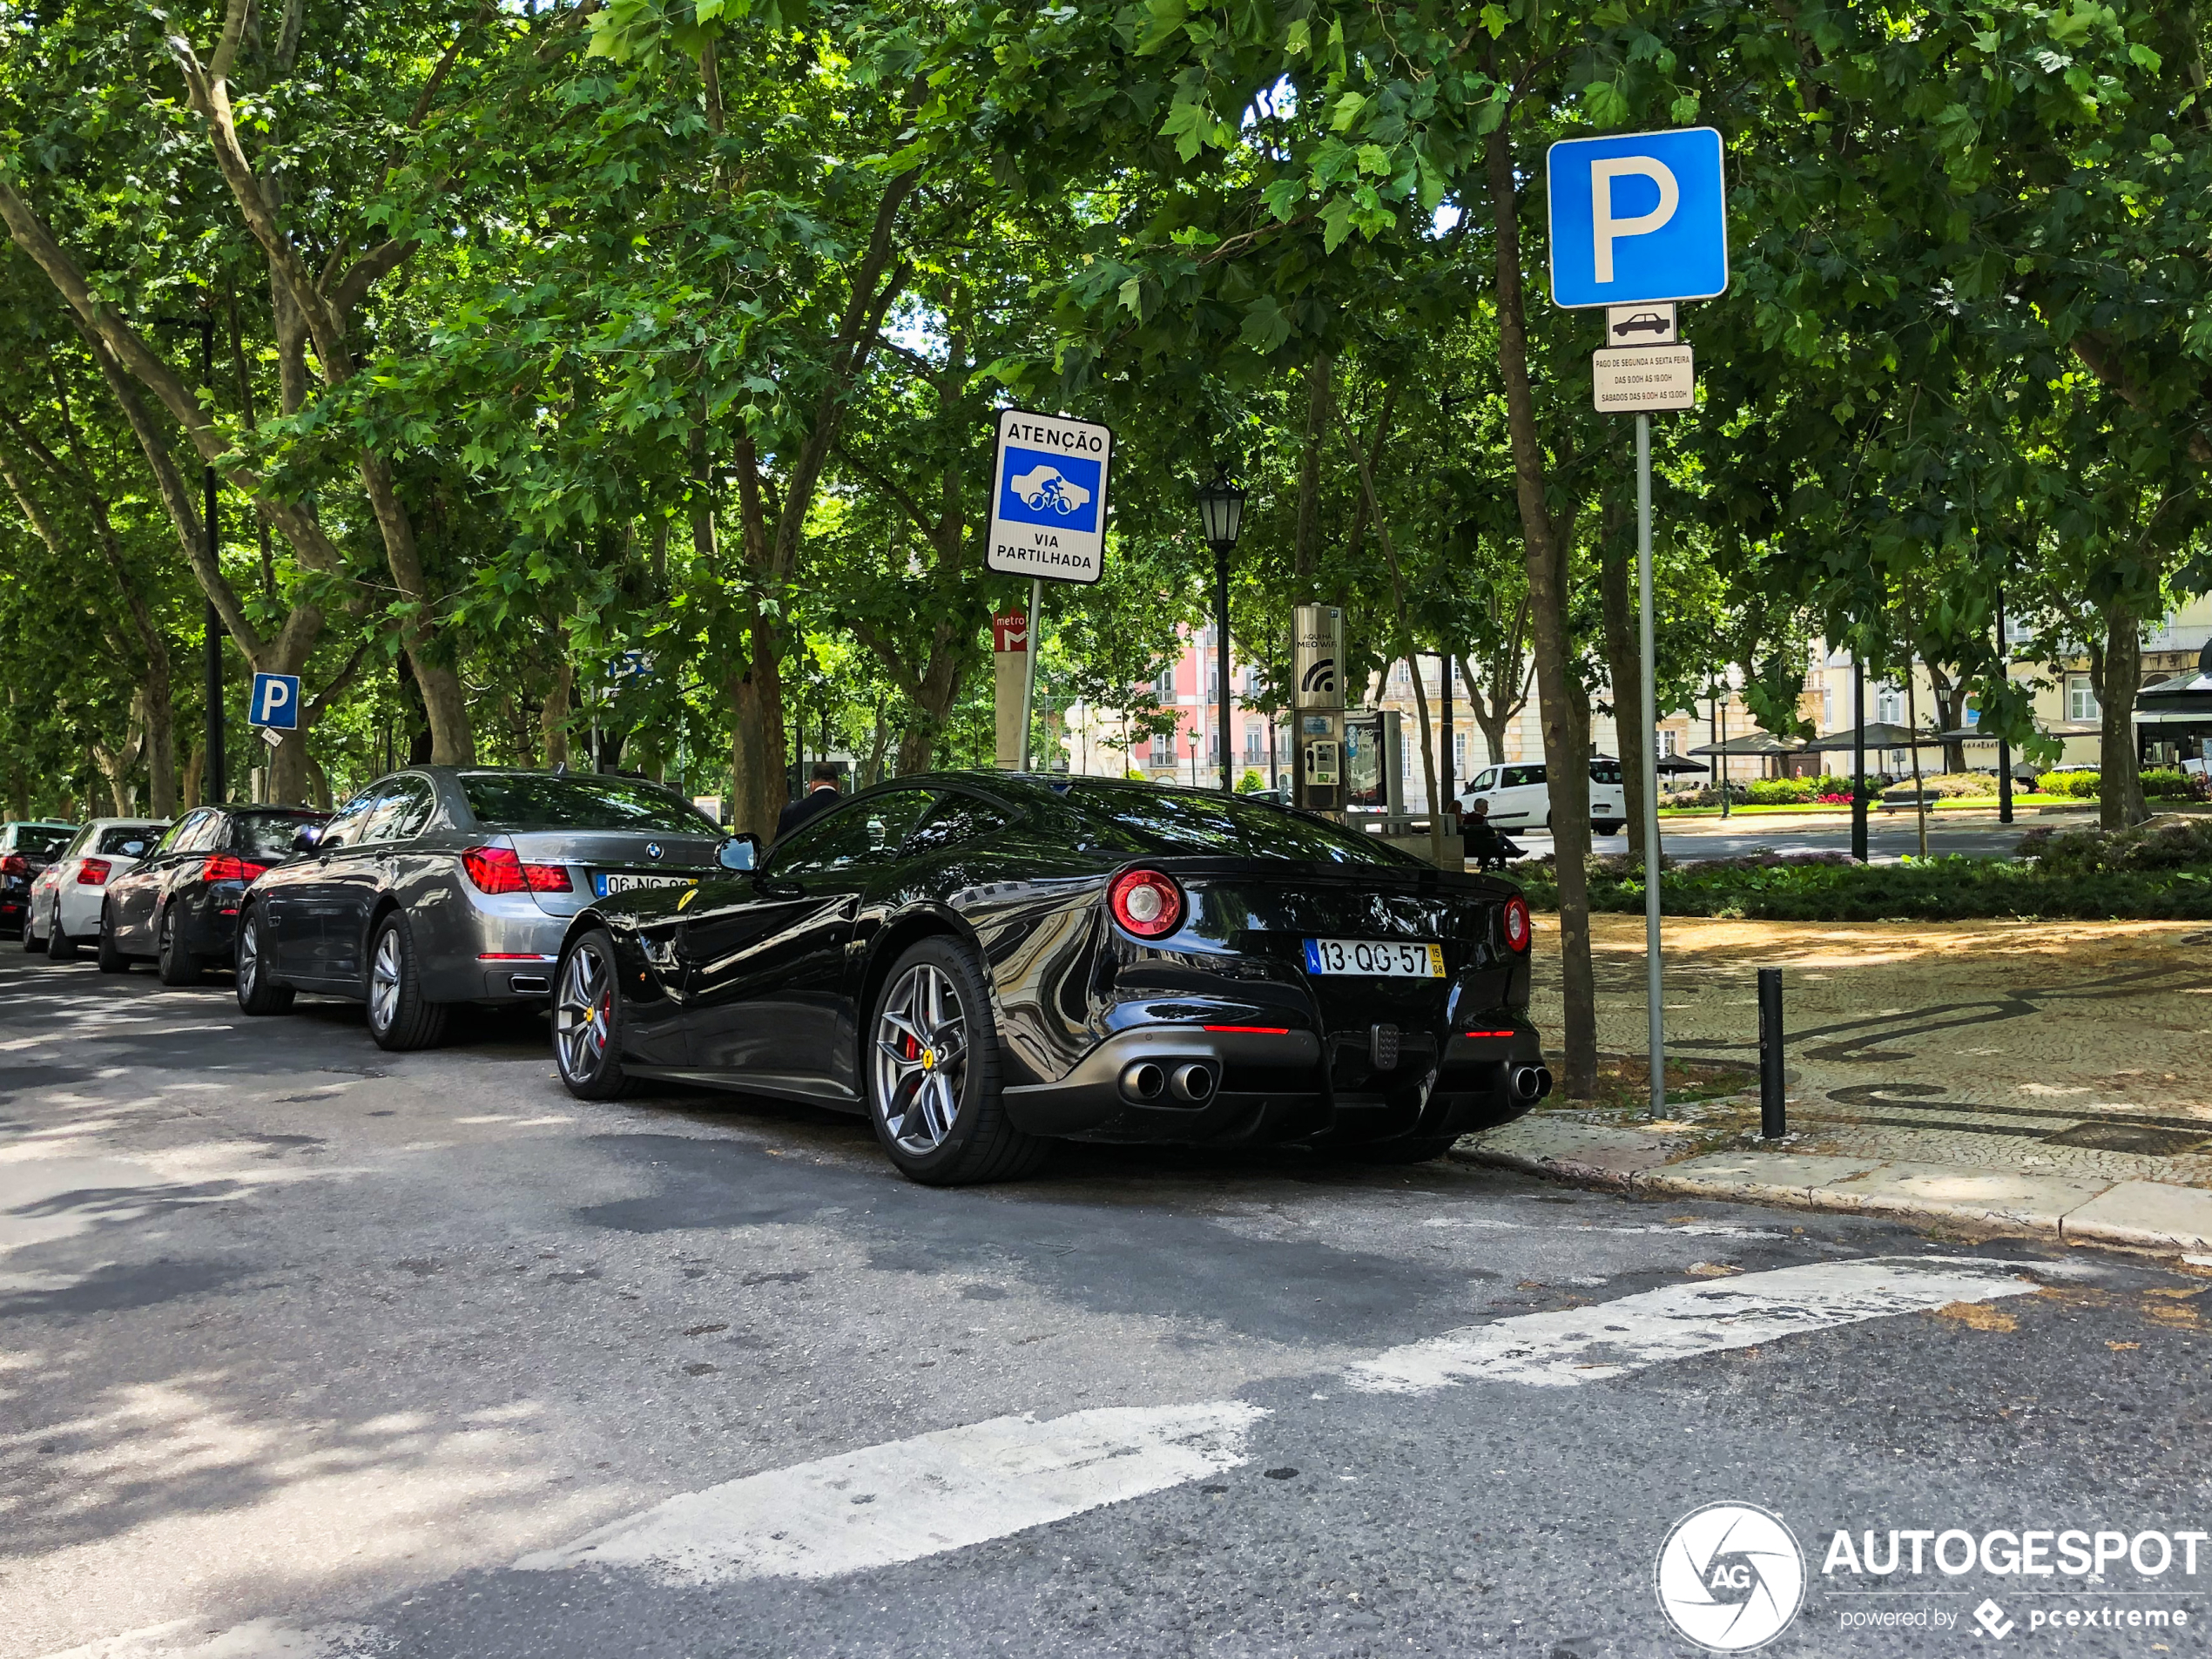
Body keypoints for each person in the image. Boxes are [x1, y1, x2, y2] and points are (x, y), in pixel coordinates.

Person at [776, 763, 843, 840]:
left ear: (812, 784)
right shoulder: (851, 808)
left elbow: (778, 847)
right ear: (838, 785)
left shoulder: (791, 811)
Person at [1463, 798, 1520, 872]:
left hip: (1470, 847)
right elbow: (1490, 836)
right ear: (1478, 807)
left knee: (1500, 837)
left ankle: (1516, 851)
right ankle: (1514, 853)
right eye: (1486, 807)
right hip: (1485, 846)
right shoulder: (1483, 820)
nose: (1487, 809)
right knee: (1501, 838)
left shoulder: (1466, 819)